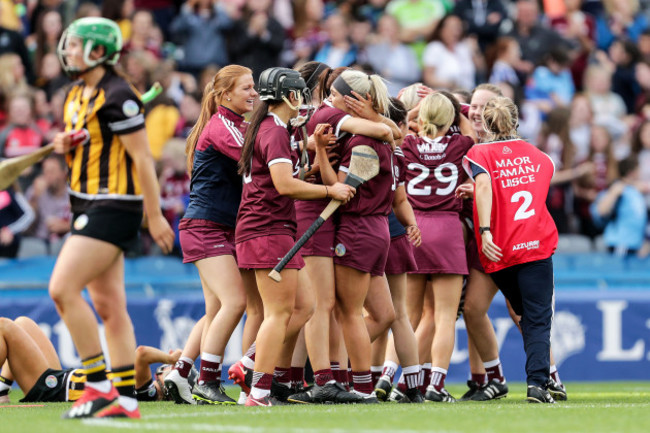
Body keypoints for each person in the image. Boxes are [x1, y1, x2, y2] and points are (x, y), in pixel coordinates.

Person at [48, 17, 175, 419]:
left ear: (97, 51)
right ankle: (124, 398)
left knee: (62, 289)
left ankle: (98, 386)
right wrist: (63, 144)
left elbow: (141, 158)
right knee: (109, 306)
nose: (67, 51)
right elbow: (88, 144)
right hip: (85, 204)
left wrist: (153, 216)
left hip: (114, 205)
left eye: (74, 45)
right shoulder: (74, 94)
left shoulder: (119, 95)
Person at [236, 67, 354, 406]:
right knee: (278, 313)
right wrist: (330, 189)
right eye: (300, 93)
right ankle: (257, 392)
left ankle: (247, 363)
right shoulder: (273, 130)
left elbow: (286, 175)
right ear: (290, 96)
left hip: (272, 228)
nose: (303, 100)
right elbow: (284, 185)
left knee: (305, 306)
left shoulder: (274, 129)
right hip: (266, 229)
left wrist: (312, 161)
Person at [168, 65, 258, 406]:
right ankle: (207, 381)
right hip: (207, 227)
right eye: (247, 87)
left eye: (254, 87)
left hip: (215, 226)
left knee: (216, 309)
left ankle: (181, 371)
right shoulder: (222, 126)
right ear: (225, 96)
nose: (254, 93)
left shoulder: (236, 124)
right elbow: (252, 160)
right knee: (236, 302)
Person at [460, 96, 558, 403]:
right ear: (516, 122)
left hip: (499, 252)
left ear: (486, 125)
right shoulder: (541, 157)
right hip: (535, 247)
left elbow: (485, 185)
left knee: (527, 316)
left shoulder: (478, 153)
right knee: (537, 319)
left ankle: (537, 381)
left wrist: (486, 231)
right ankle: (539, 385)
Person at [401, 92, 476, 402]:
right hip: (446, 228)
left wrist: (422, 106)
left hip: (414, 227)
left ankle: (407, 381)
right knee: (445, 317)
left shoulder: (408, 143)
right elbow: (469, 129)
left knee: (410, 316)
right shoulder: (460, 144)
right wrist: (454, 106)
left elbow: (406, 122)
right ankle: (436, 384)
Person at [0, 316, 196, 404]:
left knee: (4, 327)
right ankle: (2, 392)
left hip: (52, 390)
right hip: (60, 380)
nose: (173, 367)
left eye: (177, 370)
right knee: (23, 324)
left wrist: (172, 357)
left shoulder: (150, 394)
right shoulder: (149, 390)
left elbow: (141, 353)